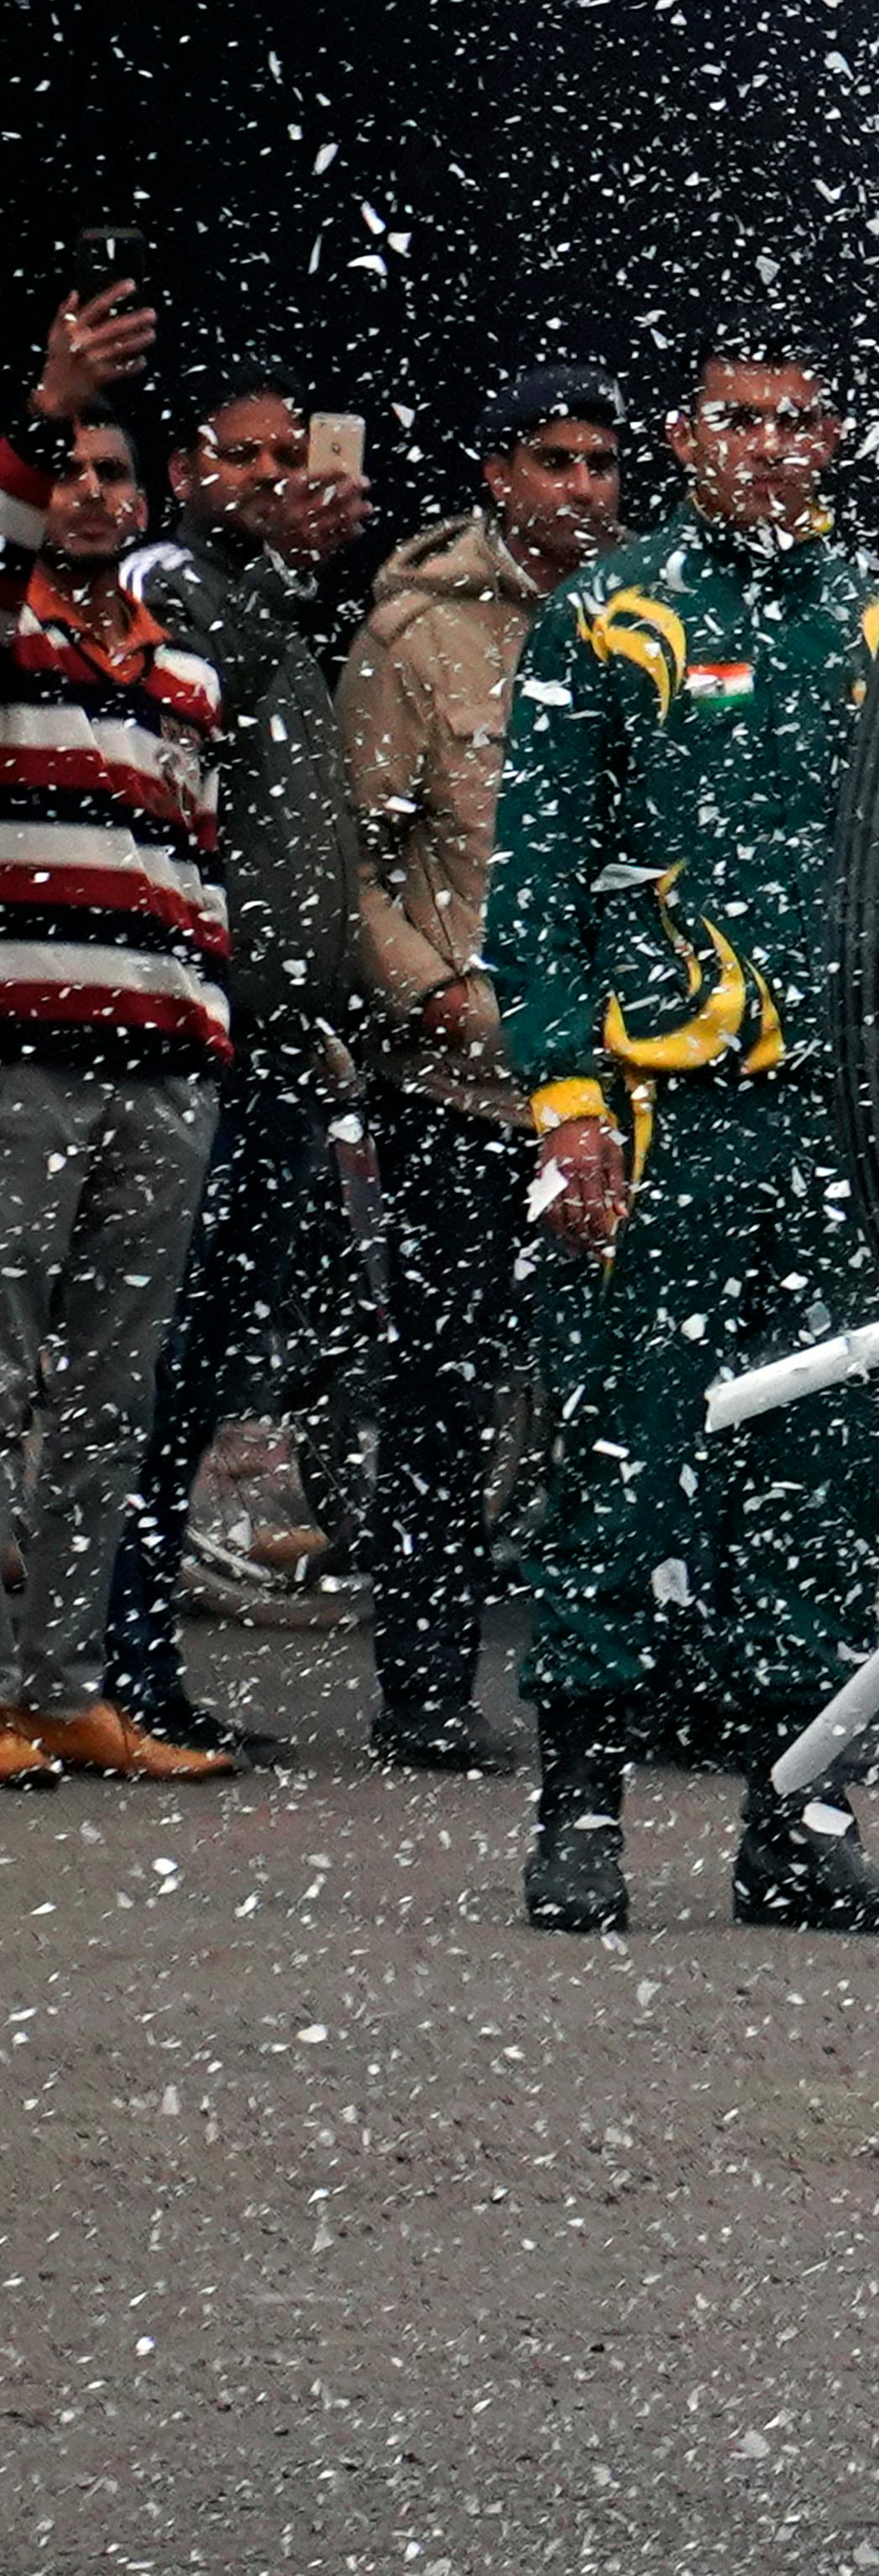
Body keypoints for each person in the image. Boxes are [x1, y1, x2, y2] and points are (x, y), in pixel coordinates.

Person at [491, 331, 879, 1931]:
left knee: (823, 1479)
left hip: (835, 1121)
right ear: (683, 440)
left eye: (795, 422)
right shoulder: (606, 618)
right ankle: (580, 1811)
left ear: (835, 440)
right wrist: (563, 1100)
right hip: (657, 1113)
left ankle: (797, 1825)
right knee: (624, 1456)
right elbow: (530, 883)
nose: (766, 448)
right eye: (735, 423)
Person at [335, 363, 625, 1766]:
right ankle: (427, 1690)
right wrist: (436, 992)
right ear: (498, 475)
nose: (580, 487)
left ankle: (608, 1687)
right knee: (448, 1394)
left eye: (599, 462)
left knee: (611, 1396)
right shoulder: (418, 626)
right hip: (463, 1082)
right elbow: (356, 861)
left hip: (614, 1083)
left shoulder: (656, 615)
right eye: (552, 461)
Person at [128, 369, 385, 1765]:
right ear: (184, 470)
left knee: (214, 1351)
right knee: (153, 1362)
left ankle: (136, 1656)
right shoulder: (173, 585)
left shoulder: (270, 605)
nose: (280, 477)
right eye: (248, 459)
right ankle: (113, 1658)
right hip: (191, 1030)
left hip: (269, 1040)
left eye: (297, 456)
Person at [0, 275, 238, 1781]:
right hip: (23, 1050)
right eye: (66, 470)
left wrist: (208, 1019)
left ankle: (60, 1686)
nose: (88, 494)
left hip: (163, 1063)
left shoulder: (190, 672)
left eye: (112, 475)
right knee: (1, 1377)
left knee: (108, 1394)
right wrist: (50, 390)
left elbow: (197, 875)